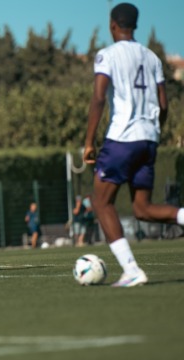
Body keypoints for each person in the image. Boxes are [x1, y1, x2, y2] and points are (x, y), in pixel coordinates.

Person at [83, 3, 184, 287]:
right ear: (134, 25)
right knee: (142, 208)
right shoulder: (152, 57)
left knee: (101, 202)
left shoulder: (107, 55)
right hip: (148, 139)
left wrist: (89, 142)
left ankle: (131, 269)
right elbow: (163, 104)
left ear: (113, 24)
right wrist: (154, 132)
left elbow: (99, 98)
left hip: (122, 138)